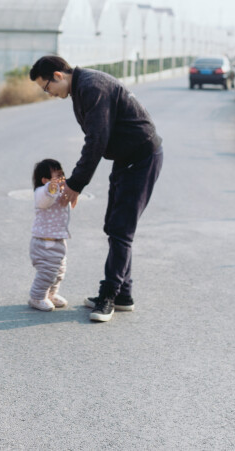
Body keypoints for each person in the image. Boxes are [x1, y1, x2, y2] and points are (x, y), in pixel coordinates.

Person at [29, 55, 163, 323]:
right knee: (114, 226)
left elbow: (96, 140)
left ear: (58, 75)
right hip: (127, 158)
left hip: (141, 158)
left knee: (121, 229)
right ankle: (124, 294)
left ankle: (109, 297)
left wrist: (75, 184)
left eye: (47, 88)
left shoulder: (90, 87)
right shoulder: (81, 86)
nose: (49, 94)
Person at [27, 158, 71, 312]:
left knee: (59, 271)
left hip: (58, 240)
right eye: (56, 176)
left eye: (62, 175)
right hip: (44, 242)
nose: (60, 179)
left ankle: (51, 294)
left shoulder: (59, 191)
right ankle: (37, 296)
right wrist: (50, 189)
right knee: (47, 272)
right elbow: (45, 200)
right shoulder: (42, 192)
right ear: (45, 180)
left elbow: (67, 199)